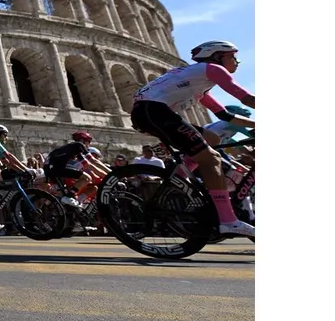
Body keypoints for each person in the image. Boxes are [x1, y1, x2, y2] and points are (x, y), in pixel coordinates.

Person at [130, 40, 256, 237]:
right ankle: (228, 221)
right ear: (218, 56)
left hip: (150, 112)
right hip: (154, 111)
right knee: (211, 158)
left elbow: (225, 116)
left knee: (212, 137)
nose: (237, 61)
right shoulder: (213, 69)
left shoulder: (198, 79)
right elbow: (246, 98)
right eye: (233, 56)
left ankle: (180, 175)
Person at [43, 131, 112, 207]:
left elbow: (89, 165)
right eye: (88, 142)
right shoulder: (78, 145)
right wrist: (112, 173)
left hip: (49, 169)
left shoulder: (74, 150)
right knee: (86, 178)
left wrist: (107, 175)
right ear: (83, 140)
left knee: (64, 194)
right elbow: (94, 161)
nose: (89, 145)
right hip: (54, 169)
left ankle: (67, 203)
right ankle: (69, 196)